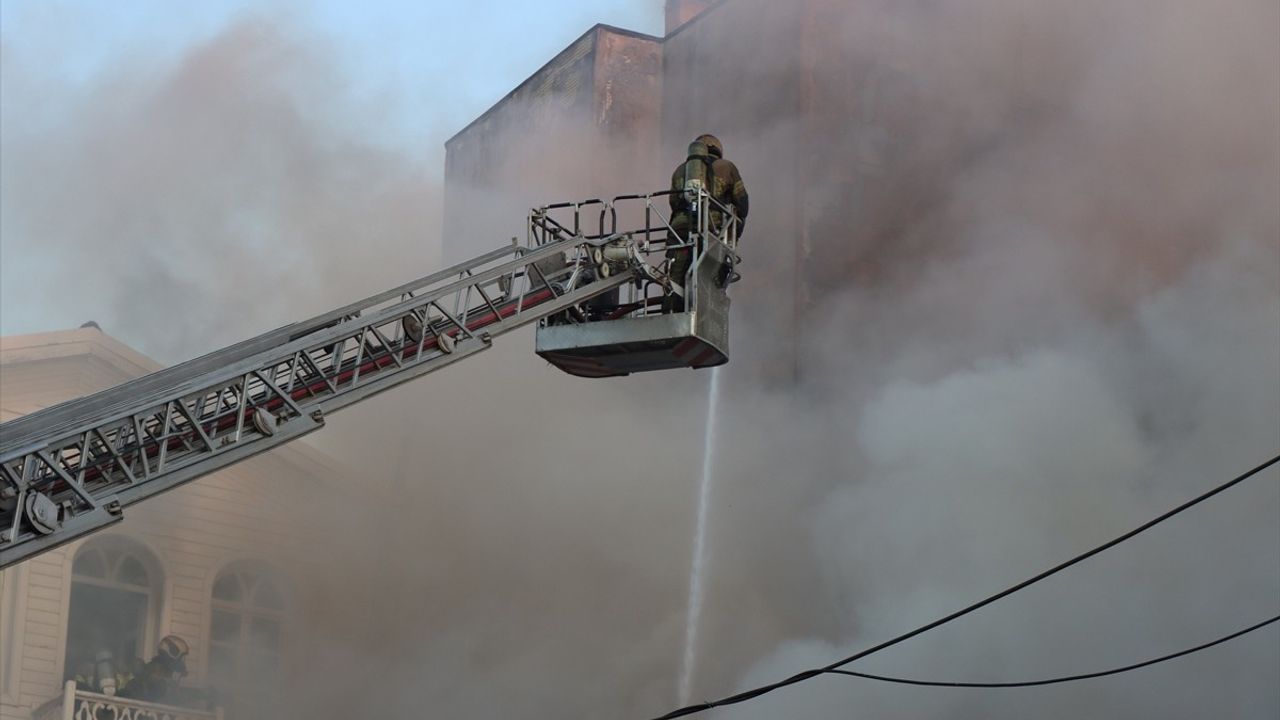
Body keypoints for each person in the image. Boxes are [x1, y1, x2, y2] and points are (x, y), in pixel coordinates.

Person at [664, 134, 749, 312]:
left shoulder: (680, 170)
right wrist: (735, 233)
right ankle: (703, 310)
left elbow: (673, 202)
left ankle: (670, 311)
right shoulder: (727, 167)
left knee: (675, 275)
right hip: (709, 228)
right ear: (718, 149)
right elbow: (742, 202)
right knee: (709, 275)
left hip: (679, 230)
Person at [119, 635, 189, 704]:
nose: (181, 661)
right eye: (181, 657)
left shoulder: (167, 670)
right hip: (143, 710)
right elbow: (159, 690)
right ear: (173, 652)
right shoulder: (155, 668)